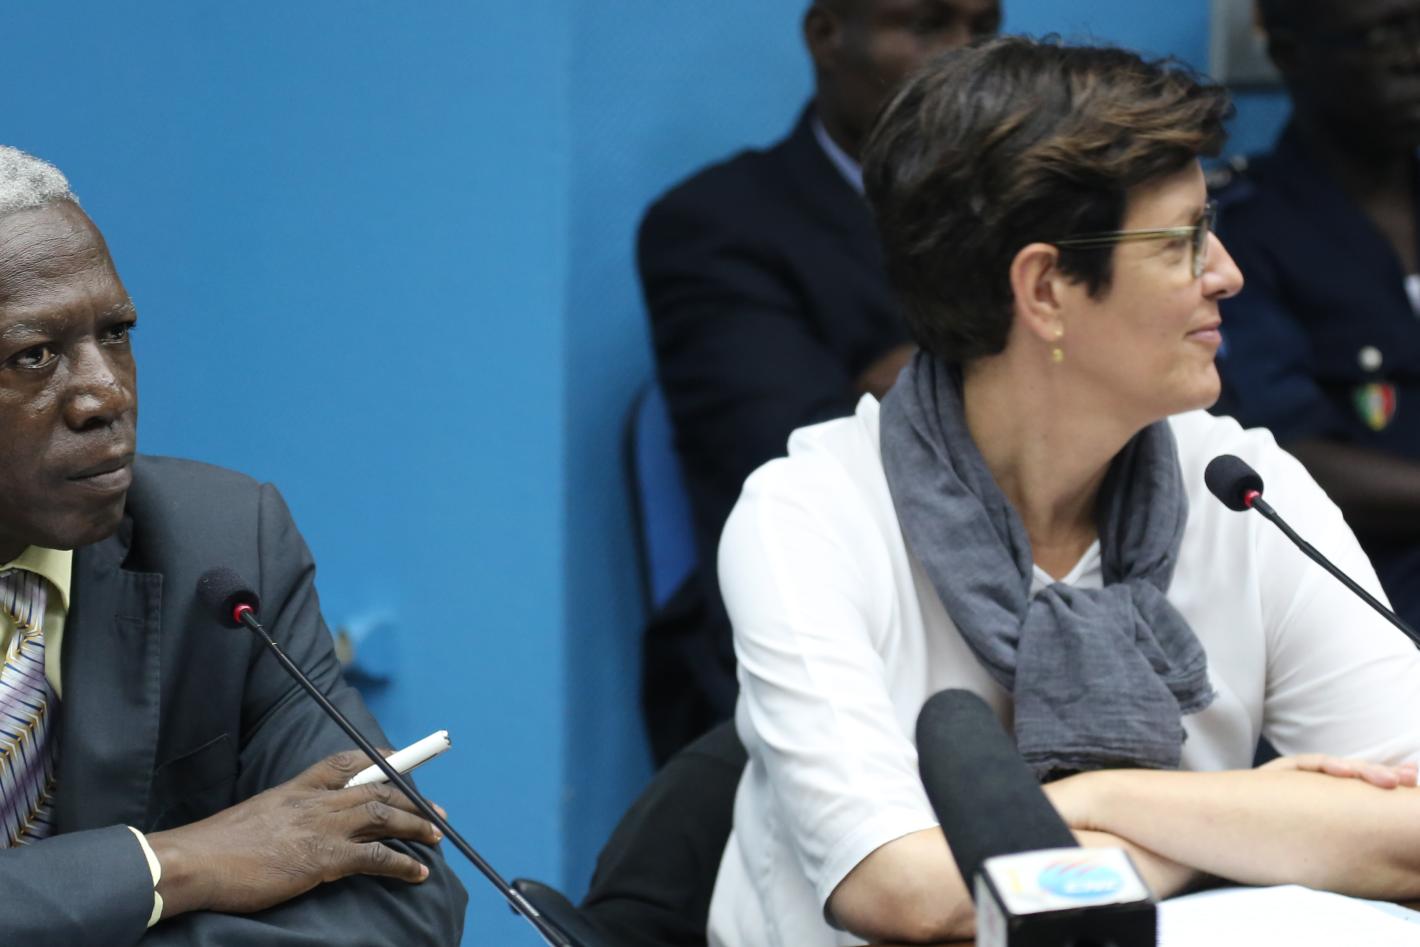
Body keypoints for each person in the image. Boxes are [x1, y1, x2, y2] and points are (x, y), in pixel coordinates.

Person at [706, 38, 1420, 947]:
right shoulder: (811, 517)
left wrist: (1104, 798)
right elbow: (908, 893)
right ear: (1045, 288)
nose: (1226, 272)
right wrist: (1229, 837)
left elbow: (1411, 834)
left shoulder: (1242, 489)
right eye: (1183, 241)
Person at [0, 147, 467, 945]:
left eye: (117, 334)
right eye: (34, 355)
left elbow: (403, 889)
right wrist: (174, 864)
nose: (106, 393)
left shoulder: (219, 545)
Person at [637, 0, 1002, 764]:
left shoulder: (1030, 212)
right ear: (827, 34)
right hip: (818, 640)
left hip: (1027, 625)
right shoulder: (717, 224)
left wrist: (903, 379)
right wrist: (1005, 369)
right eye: (927, 24)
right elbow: (793, 459)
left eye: (984, 27)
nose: (964, 55)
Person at [1212, 0, 1420, 630]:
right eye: (1380, 36)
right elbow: (1281, 455)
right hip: (1365, 597)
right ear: (1290, 53)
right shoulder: (1242, 233)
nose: (1412, 56)